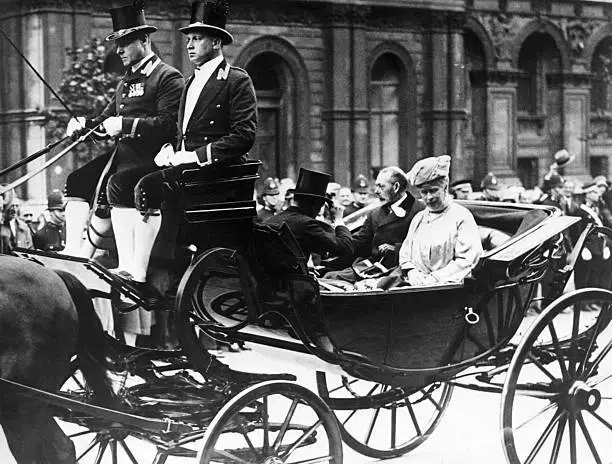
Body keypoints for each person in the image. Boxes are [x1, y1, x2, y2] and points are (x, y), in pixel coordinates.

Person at [106, 0, 257, 306]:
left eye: (197, 38)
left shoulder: (237, 80)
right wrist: (170, 150)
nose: (189, 44)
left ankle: (140, 273)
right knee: (119, 183)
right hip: (186, 167)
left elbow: (244, 136)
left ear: (216, 41)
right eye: (188, 39)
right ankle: (127, 266)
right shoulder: (190, 82)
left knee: (147, 186)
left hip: (218, 174)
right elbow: (179, 132)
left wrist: (196, 156)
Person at [63, 2, 184, 260]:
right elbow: (105, 119)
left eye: (125, 43)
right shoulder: (126, 82)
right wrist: (84, 125)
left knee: (115, 186)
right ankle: (73, 253)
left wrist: (125, 125)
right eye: (117, 43)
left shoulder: (167, 77)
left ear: (144, 40)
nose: (118, 50)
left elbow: (169, 125)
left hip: (151, 159)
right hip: (123, 157)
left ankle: (125, 262)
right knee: (76, 180)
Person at [325, 166, 424, 282]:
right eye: (376, 186)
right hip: (373, 266)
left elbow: (425, 246)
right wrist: (331, 244)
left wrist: (396, 248)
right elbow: (359, 243)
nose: (376, 191)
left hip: (401, 270)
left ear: (396, 187)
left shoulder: (420, 210)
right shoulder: (375, 213)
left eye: (381, 186)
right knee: (328, 276)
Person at [394, 155, 482, 286]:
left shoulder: (461, 217)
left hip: (448, 290)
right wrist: (412, 272)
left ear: (445, 187)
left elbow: (467, 261)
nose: (429, 198)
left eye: (433, 191)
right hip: (415, 288)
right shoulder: (418, 219)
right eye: (424, 192)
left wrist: (434, 279)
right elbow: (406, 254)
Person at [264, 168, 354, 264]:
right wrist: (339, 220)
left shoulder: (271, 220)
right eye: (320, 205)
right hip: (293, 278)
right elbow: (346, 248)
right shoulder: (307, 224)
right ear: (315, 205)